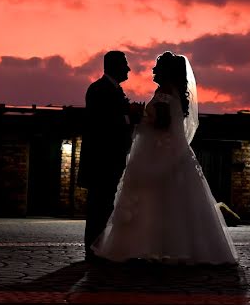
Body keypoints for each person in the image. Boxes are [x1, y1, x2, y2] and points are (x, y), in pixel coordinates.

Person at [92, 51, 238, 265]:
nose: (153, 70)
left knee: (158, 200)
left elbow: (162, 124)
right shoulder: (172, 92)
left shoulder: (164, 93)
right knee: (169, 202)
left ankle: (155, 247)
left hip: (159, 154)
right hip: (167, 153)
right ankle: (167, 247)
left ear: (166, 72)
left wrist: (139, 118)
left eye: (157, 67)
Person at [78, 50, 134, 261]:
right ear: (115, 66)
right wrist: (130, 119)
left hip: (110, 161)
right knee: (97, 208)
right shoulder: (99, 90)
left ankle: (99, 248)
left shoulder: (113, 90)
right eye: (125, 64)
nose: (128, 69)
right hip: (102, 162)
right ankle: (93, 250)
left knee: (104, 207)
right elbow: (104, 125)